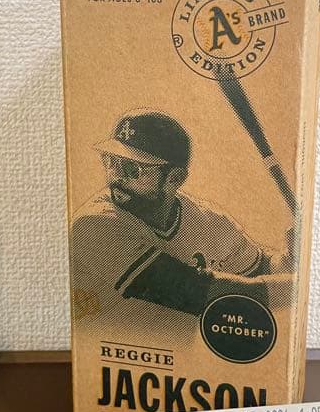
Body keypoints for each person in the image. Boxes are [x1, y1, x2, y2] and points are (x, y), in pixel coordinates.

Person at [69, 111, 294, 335]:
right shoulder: (92, 225)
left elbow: (261, 269)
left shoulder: (209, 222)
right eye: (111, 162)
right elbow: (190, 291)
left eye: (131, 169)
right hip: (114, 348)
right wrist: (298, 288)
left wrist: (291, 259)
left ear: (174, 178)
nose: (116, 177)